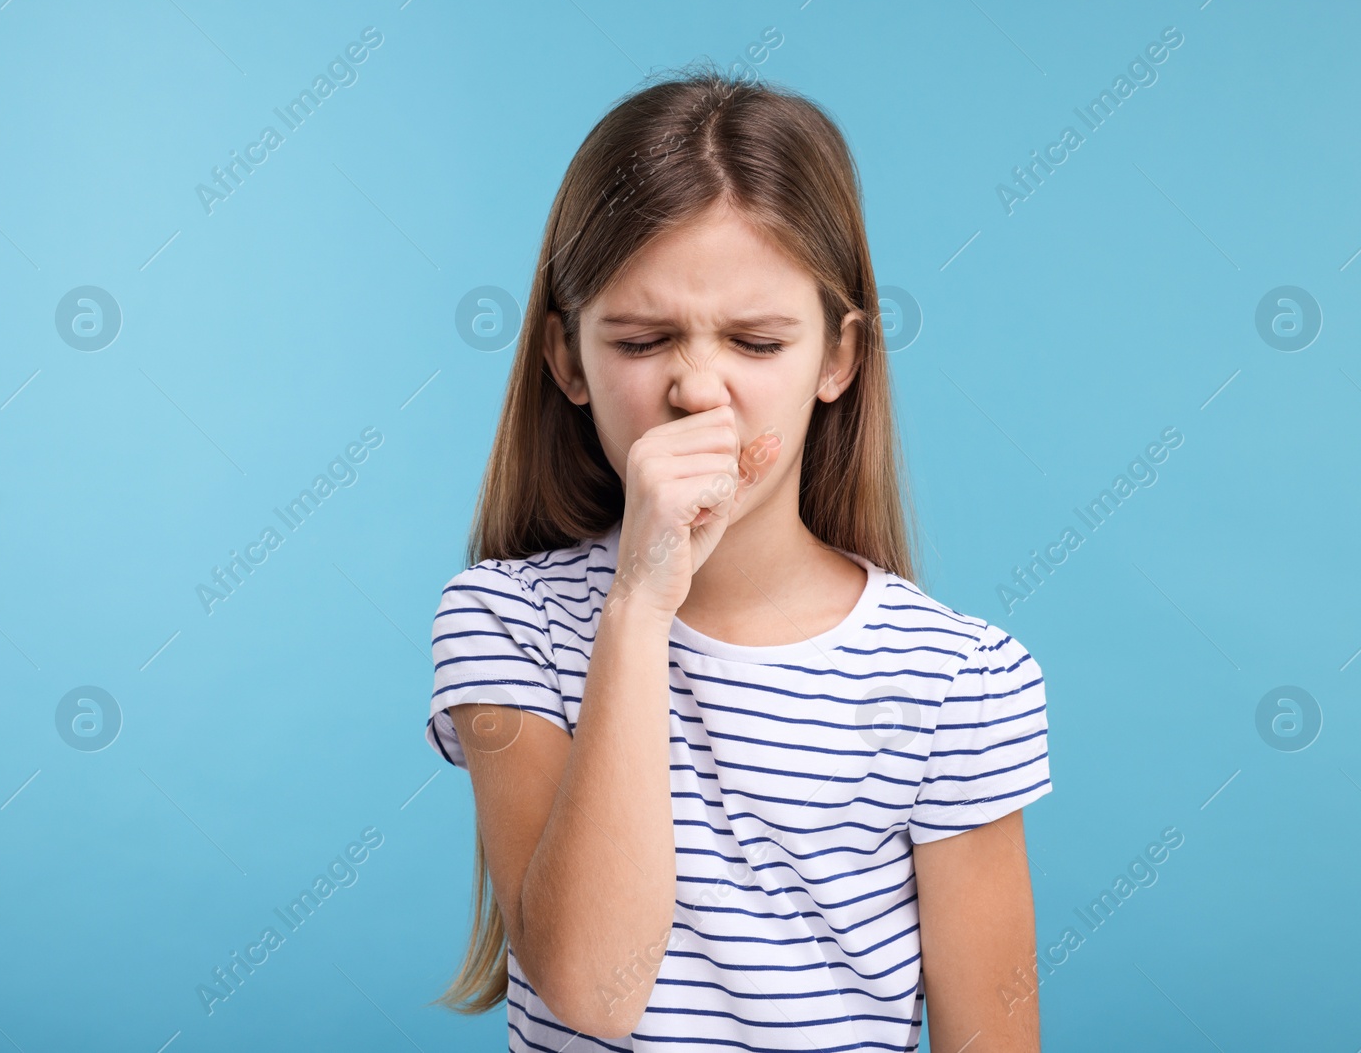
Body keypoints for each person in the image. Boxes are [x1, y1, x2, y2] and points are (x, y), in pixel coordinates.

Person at [424, 62, 1052, 1052]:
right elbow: (591, 987)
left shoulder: (957, 681)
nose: (697, 392)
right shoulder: (504, 625)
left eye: (756, 342)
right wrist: (637, 603)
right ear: (565, 358)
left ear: (838, 359)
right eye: (640, 340)